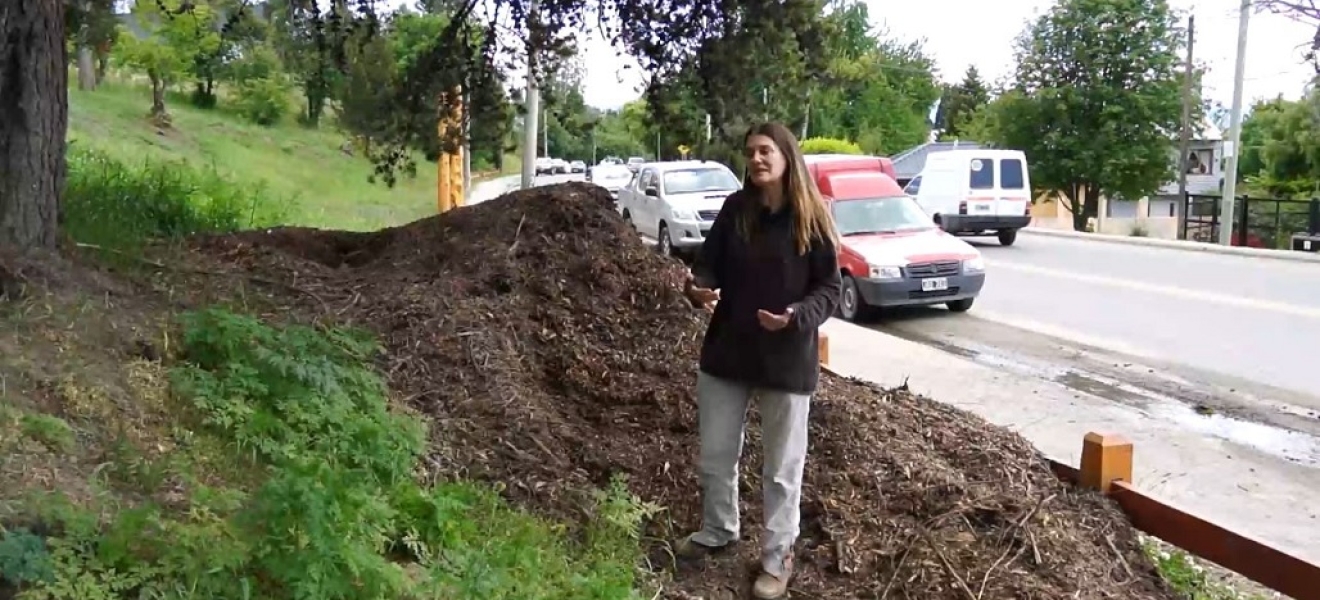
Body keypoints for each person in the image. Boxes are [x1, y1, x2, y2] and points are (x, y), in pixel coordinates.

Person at [678, 122, 842, 600]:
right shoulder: (737, 209)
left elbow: (830, 289)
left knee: (781, 470)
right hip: (728, 350)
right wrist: (699, 286)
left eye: (765, 150)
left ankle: (777, 558)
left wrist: (794, 316)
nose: (756, 159)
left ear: (787, 156)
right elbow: (708, 262)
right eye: (750, 152)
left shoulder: (812, 216)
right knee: (716, 455)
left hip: (786, 359)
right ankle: (719, 529)